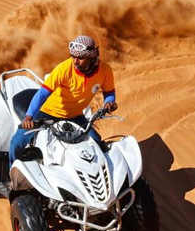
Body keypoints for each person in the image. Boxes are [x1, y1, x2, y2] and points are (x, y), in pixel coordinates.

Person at [9, 35, 118, 165]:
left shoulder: (105, 71)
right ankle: (13, 177)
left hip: (75, 116)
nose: (75, 61)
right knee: (16, 143)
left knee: (97, 141)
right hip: (47, 112)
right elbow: (42, 94)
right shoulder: (63, 69)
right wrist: (29, 117)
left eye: (80, 57)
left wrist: (109, 102)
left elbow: (109, 92)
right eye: (73, 56)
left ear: (92, 57)